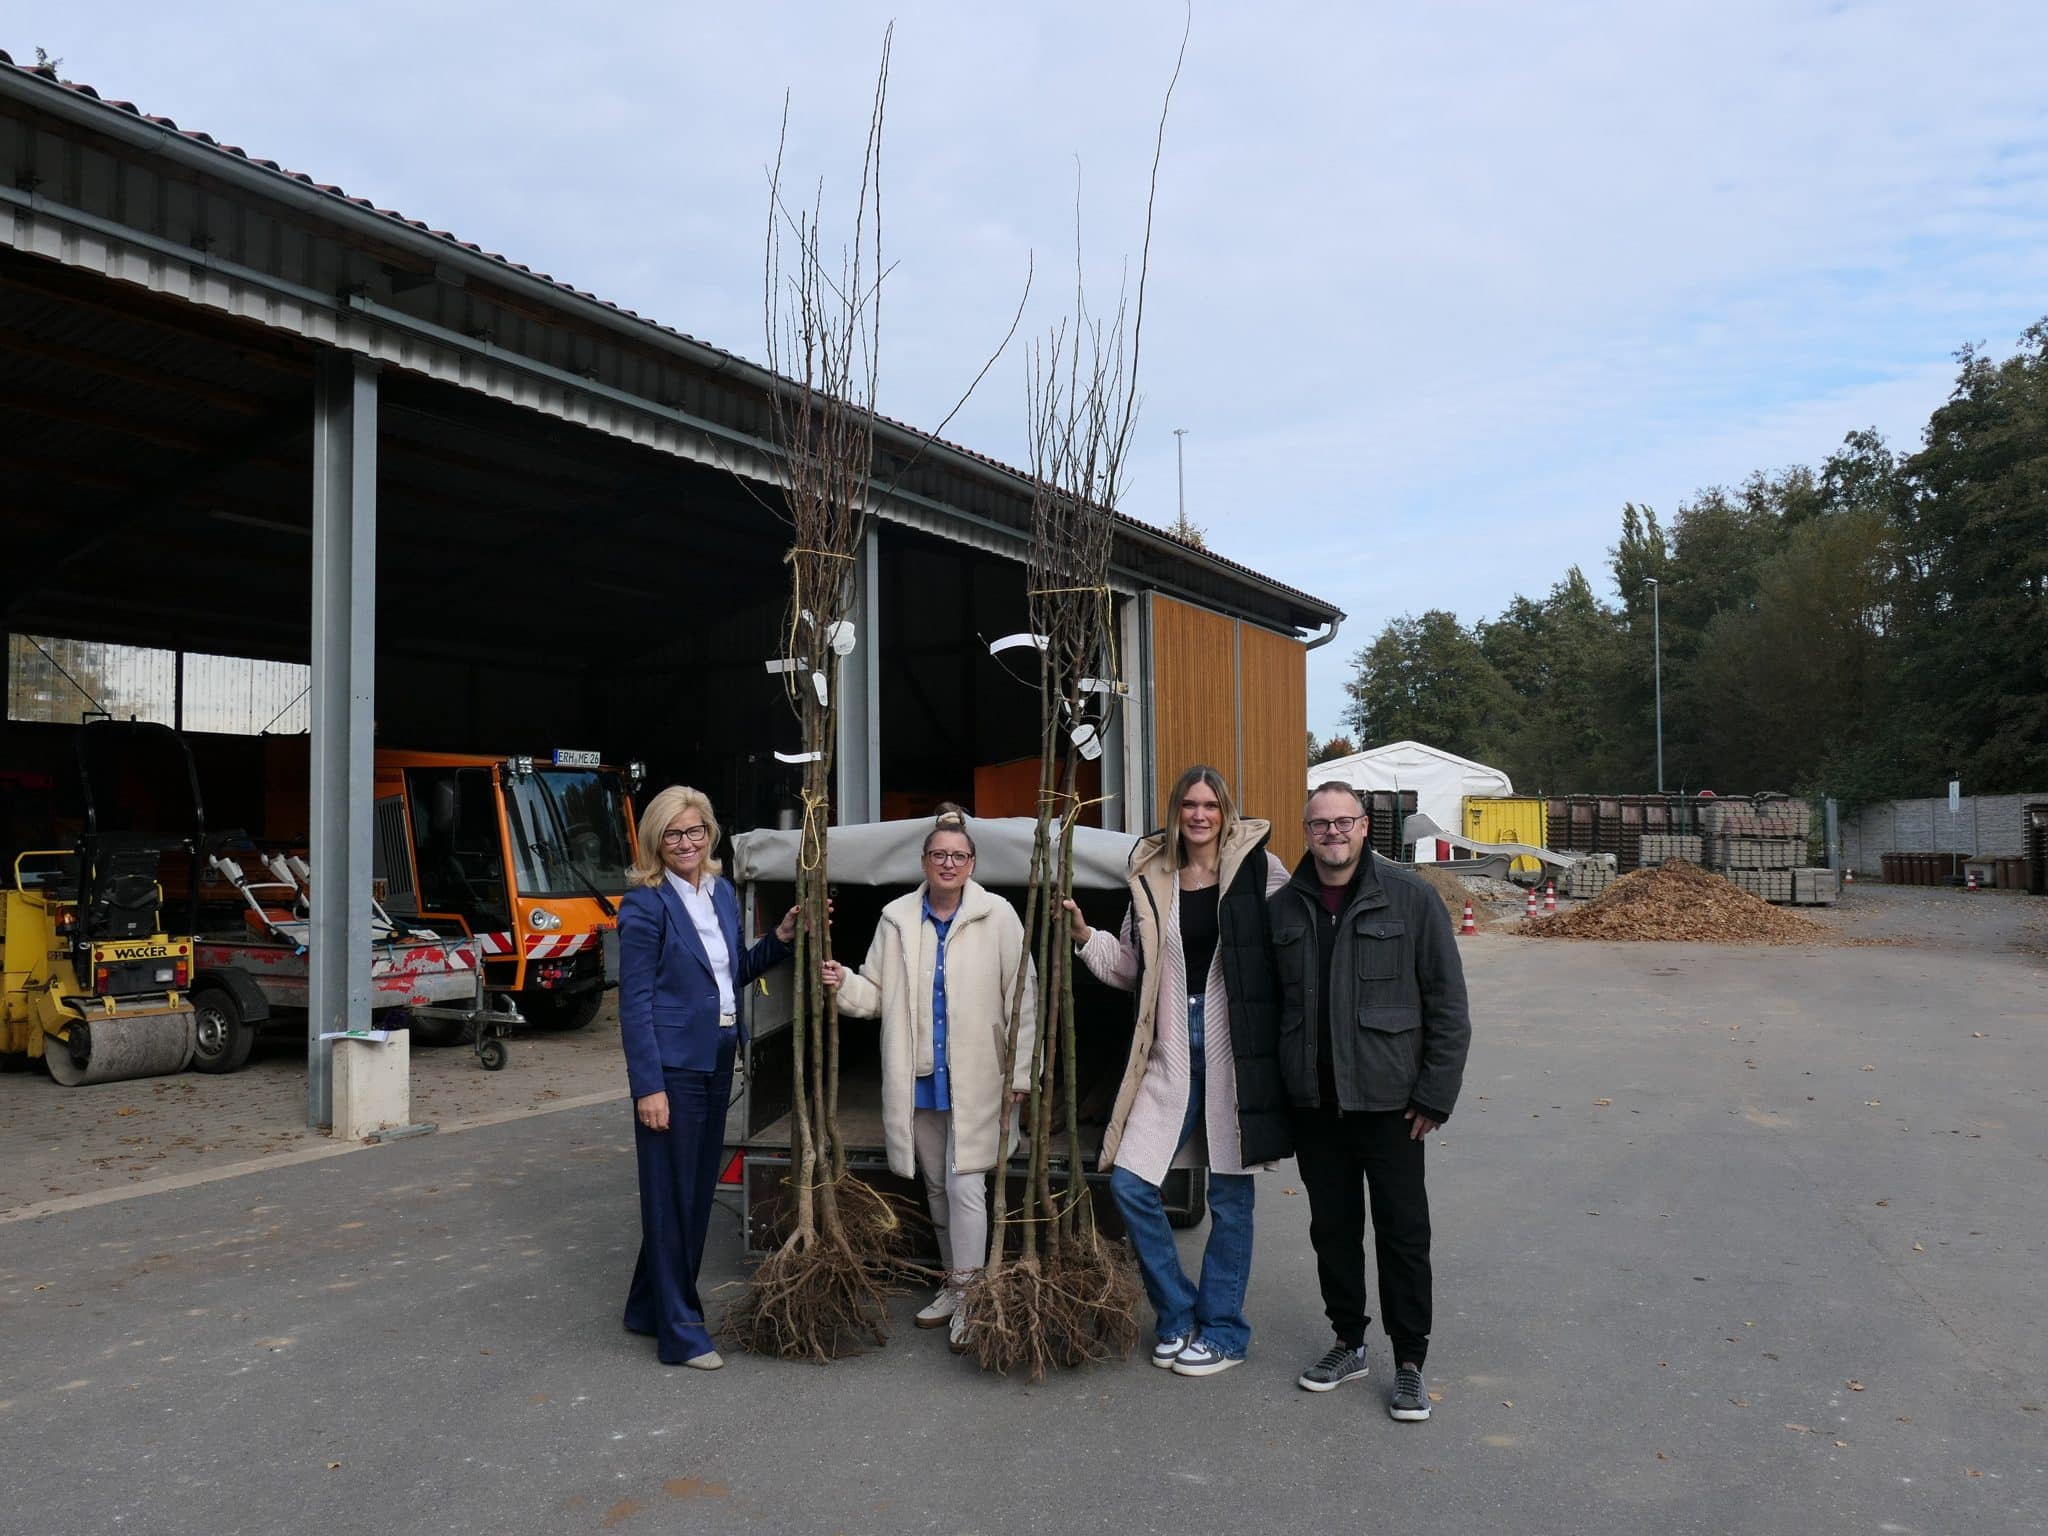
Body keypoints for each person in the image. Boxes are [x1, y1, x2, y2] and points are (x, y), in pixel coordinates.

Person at [1062, 765, 1290, 1377]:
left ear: (1226, 811)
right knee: (1133, 1183)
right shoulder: (1152, 876)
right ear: (1175, 810)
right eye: (1189, 804)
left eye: (1210, 805)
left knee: (1231, 1196)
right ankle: (1178, 1313)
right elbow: (1133, 969)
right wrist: (1086, 937)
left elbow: (1293, 949)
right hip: (1169, 1052)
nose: (1199, 815)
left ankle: (1224, 1331)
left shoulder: (1261, 872)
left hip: (1235, 1054)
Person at [1269, 781, 1471, 1422]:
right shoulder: (1285, 910)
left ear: (1364, 828)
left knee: (1403, 1235)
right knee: (1332, 1230)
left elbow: (1448, 1004)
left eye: (1344, 821)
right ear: (1306, 832)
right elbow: (1272, 1010)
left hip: (1391, 1106)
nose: (1333, 833)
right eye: (1320, 823)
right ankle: (1348, 1342)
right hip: (1316, 1107)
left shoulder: (1411, 900)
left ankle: (1410, 1361)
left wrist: (1435, 1093)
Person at [823, 805, 1033, 1351]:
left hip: (980, 1077)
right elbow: (875, 994)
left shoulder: (1000, 916)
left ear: (972, 862)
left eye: (958, 856)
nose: (948, 863)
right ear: (923, 860)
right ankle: (954, 1283)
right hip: (921, 1078)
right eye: (938, 854)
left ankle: (972, 1297)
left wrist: (1023, 1071)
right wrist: (842, 980)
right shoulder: (896, 918)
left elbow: (1023, 1000)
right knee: (937, 1185)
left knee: (967, 1184)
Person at [618, 784, 798, 1370]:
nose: (686, 842)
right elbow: (635, 1003)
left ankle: (647, 1307)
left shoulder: (721, 893)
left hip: (717, 1059)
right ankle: (681, 1331)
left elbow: (729, 973)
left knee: (692, 1195)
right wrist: (648, 1087)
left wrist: (778, 941)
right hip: (671, 1069)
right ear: (656, 841)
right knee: (673, 1201)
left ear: (710, 833)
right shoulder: (644, 906)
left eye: (695, 831)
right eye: (673, 834)